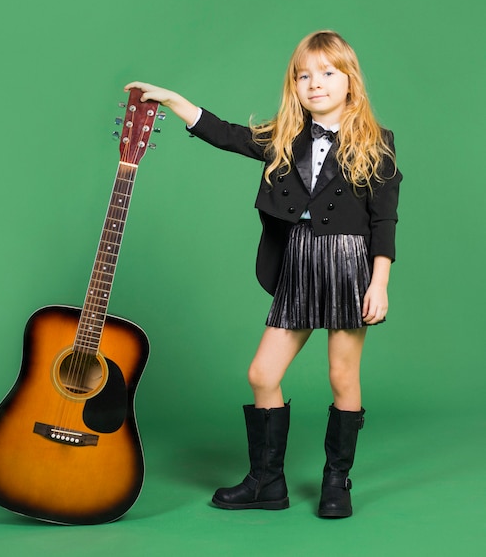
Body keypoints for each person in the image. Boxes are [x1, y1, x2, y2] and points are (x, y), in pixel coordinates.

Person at [125, 30, 401, 519]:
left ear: (350, 82)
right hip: (297, 262)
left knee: (342, 375)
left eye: (327, 73)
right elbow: (225, 133)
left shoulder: (377, 143)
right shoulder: (283, 138)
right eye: (303, 75)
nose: (315, 83)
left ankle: (337, 482)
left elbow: (383, 220)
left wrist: (378, 282)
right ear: (294, 86)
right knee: (262, 373)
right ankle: (267, 483)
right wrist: (172, 101)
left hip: (346, 265)